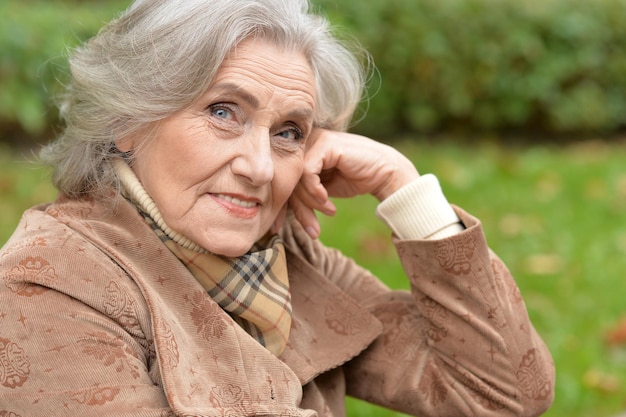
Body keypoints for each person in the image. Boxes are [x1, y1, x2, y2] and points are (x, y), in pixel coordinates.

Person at [0, 0, 554, 415]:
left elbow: (504, 394)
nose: (261, 167)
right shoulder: (48, 283)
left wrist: (406, 192)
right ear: (127, 120)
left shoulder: (285, 263)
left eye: (290, 131)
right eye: (223, 112)